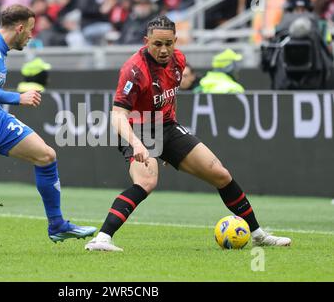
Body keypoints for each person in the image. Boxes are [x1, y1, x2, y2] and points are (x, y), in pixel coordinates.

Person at [84, 15, 291, 252]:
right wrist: (139, 145)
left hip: (167, 127)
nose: (163, 50)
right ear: (146, 41)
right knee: (146, 181)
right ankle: (102, 239)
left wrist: (170, 150)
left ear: (176, 41)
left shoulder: (179, 60)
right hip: (137, 129)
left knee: (220, 174)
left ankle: (258, 234)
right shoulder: (134, 70)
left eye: (169, 43)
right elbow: (117, 115)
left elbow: (169, 98)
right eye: (157, 44)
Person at [0, 5, 96, 254]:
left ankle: (56, 225)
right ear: (20, 28)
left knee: (46, 156)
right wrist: (17, 98)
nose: (32, 36)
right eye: (31, 30)